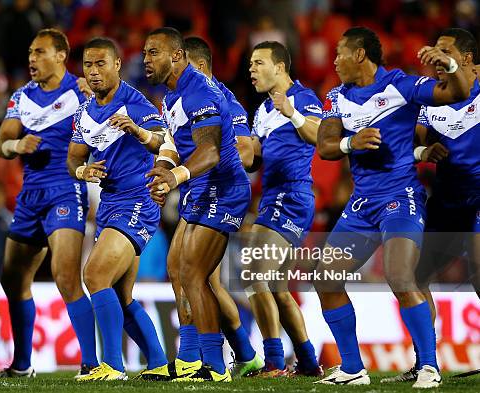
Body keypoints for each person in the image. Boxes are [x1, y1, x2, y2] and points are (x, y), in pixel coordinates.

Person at [314, 26, 469, 387]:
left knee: (400, 276)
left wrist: (447, 62)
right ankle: (353, 368)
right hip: (362, 203)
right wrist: (352, 142)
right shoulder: (337, 96)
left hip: (401, 198)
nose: (334, 61)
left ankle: (428, 367)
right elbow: (325, 145)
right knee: (325, 278)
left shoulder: (400, 86)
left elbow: (457, 90)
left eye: (339, 53)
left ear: (359, 55)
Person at [144, 27, 251, 382]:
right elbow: (174, 144)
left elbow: (210, 150)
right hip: (201, 185)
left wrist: (175, 179)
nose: (145, 61)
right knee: (176, 268)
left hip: (224, 188)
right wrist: (162, 169)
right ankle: (189, 360)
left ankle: (214, 365)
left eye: (153, 53)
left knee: (194, 273)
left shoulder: (200, 90)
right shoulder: (170, 95)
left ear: (176, 56)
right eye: (145, 53)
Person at [0, 29, 93, 378]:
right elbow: (1, 141)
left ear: (62, 55)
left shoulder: (81, 90)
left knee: (66, 276)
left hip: (66, 188)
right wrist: (16, 147)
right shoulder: (22, 96)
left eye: (40, 52)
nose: (32, 59)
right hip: (30, 195)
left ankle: (92, 364)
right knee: (12, 279)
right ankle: (21, 365)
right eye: (31, 52)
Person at [382, 27, 480, 384]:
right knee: (415, 276)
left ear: (467, 59)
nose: (435, 57)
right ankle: (426, 362)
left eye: (445, 51)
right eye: (434, 50)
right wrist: (423, 151)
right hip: (446, 201)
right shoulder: (430, 99)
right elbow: (409, 148)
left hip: (478, 197)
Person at [67, 37, 168, 381]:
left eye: (100, 64)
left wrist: (139, 131)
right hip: (110, 204)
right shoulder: (85, 112)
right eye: (88, 65)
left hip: (138, 200)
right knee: (121, 296)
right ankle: (158, 361)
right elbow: (73, 158)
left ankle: (111, 366)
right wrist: (84, 171)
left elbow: (163, 141)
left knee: (94, 275)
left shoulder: (134, 102)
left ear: (116, 65)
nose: (93, 72)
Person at [246, 40, 323, 377]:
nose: (251, 70)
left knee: (252, 274)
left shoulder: (304, 98)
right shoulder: (262, 111)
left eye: (258, 63)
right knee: (276, 286)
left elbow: (319, 136)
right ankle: (307, 362)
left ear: (279, 67)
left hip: (292, 196)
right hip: (271, 197)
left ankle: (274, 360)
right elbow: (255, 160)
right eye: (249, 64)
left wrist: (291, 112)